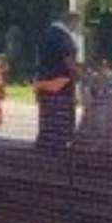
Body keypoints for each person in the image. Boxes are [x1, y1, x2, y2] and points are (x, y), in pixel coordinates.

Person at [34, 10, 84, 154]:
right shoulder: (63, 37)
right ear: (70, 21)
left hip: (44, 82)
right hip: (60, 84)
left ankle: (44, 147)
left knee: (47, 118)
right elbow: (67, 61)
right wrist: (82, 76)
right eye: (76, 24)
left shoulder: (47, 34)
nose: (76, 27)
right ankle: (57, 149)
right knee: (60, 118)